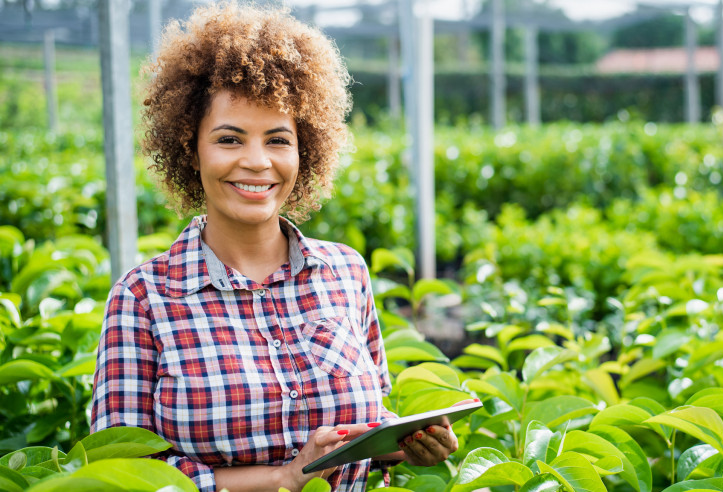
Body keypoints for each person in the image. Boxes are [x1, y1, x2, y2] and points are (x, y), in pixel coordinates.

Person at [89, 3, 461, 491]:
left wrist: (405, 442)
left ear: (305, 150)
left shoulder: (345, 272)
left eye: (278, 140)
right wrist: (285, 478)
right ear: (190, 149)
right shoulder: (143, 299)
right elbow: (122, 470)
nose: (257, 161)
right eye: (229, 139)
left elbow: (368, 422)